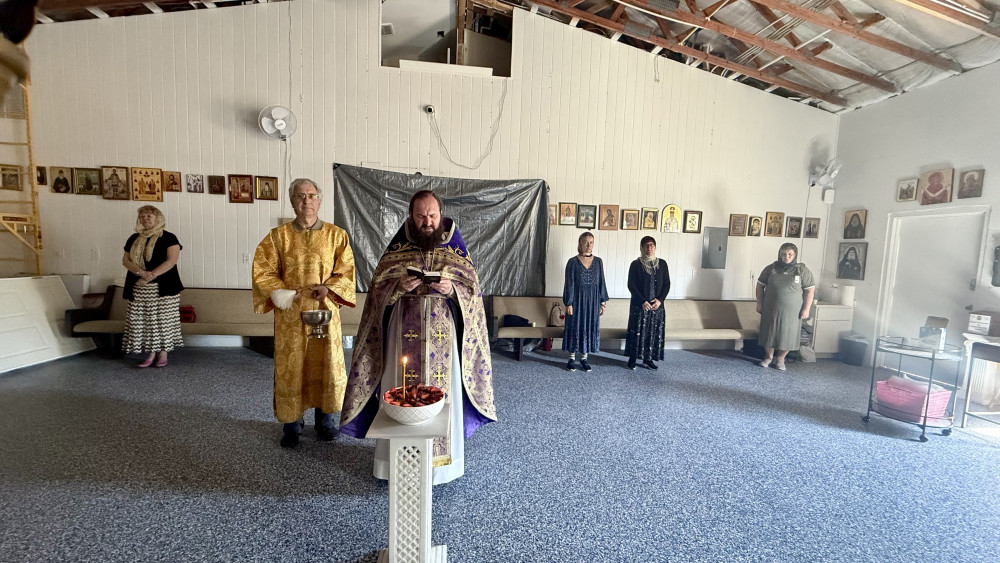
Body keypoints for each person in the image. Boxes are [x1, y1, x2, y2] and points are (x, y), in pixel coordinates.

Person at [341, 190, 496, 484]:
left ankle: (442, 468)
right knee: (399, 389)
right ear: (411, 217)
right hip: (402, 332)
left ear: (441, 214)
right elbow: (377, 293)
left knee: (444, 395)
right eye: (421, 216)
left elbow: (473, 293)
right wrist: (398, 286)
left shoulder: (455, 249)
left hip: (443, 336)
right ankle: (396, 465)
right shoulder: (397, 249)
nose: (427, 222)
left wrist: (452, 290)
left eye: (432, 215)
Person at [252, 178, 356, 449]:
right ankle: (292, 423)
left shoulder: (337, 235)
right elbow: (264, 271)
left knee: (326, 364)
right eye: (300, 196)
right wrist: (284, 292)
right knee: (293, 367)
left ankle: (326, 421)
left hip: (324, 311)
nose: (306, 201)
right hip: (291, 315)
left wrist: (329, 288)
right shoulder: (278, 237)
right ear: (292, 201)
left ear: (319, 200)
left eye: (311, 195)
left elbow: (346, 272)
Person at [120, 205, 184, 368]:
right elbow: (126, 260)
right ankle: (150, 353)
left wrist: (150, 276)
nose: (145, 219)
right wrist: (141, 273)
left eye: (149, 216)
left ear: (158, 218)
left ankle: (163, 353)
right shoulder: (134, 238)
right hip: (139, 287)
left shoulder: (169, 237)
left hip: (165, 288)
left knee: (163, 321)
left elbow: (171, 261)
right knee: (145, 322)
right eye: (142, 216)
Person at [756, 243, 815, 371]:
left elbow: (810, 291)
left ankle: (781, 359)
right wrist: (759, 303)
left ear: (795, 255)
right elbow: (760, 286)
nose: (786, 257)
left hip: (792, 311)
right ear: (779, 254)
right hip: (770, 308)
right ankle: (768, 357)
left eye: (790, 254)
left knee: (788, 335)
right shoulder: (770, 268)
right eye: (783, 254)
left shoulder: (802, 270)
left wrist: (806, 309)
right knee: (769, 333)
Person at [562, 232, 609, 371]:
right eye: (585, 242)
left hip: (593, 302)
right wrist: (568, 303)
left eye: (591, 242)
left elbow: (601, 282)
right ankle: (571, 358)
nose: (588, 245)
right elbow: (569, 284)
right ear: (580, 243)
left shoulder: (598, 262)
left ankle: (584, 358)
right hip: (577, 301)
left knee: (589, 327)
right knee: (574, 326)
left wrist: (602, 303)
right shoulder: (572, 262)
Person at [624, 237, 670, 370]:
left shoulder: (662, 264)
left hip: (656, 307)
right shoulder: (635, 264)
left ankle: (648, 359)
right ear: (641, 248)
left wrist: (660, 300)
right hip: (640, 306)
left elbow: (667, 284)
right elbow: (631, 285)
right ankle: (633, 358)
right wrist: (642, 301)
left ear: (655, 247)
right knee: (637, 332)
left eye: (652, 245)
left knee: (652, 333)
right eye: (646, 245)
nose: (649, 248)